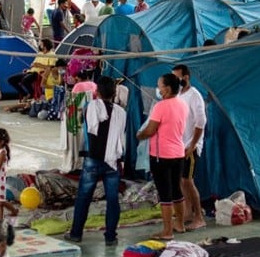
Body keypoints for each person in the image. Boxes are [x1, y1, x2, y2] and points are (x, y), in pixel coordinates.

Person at [64, 76, 127, 246]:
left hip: (93, 159)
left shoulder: (89, 107)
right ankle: (111, 237)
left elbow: (87, 122)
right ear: (114, 93)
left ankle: (76, 233)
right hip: (113, 160)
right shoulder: (121, 113)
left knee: (84, 197)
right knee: (113, 200)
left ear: (97, 92)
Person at [136, 73, 187, 240]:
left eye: (159, 86)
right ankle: (180, 224)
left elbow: (151, 130)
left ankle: (167, 231)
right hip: (178, 153)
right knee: (177, 190)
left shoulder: (161, 107)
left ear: (167, 88)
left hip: (161, 155)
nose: (158, 89)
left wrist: (140, 135)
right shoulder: (182, 104)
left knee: (165, 194)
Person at [172, 64, 207, 230]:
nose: (176, 80)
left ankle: (199, 217)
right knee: (181, 181)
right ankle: (187, 213)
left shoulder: (195, 96)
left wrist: (193, 145)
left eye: (178, 77)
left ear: (186, 77)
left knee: (188, 181)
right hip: (178, 145)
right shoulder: (177, 95)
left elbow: (201, 122)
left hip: (190, 146)